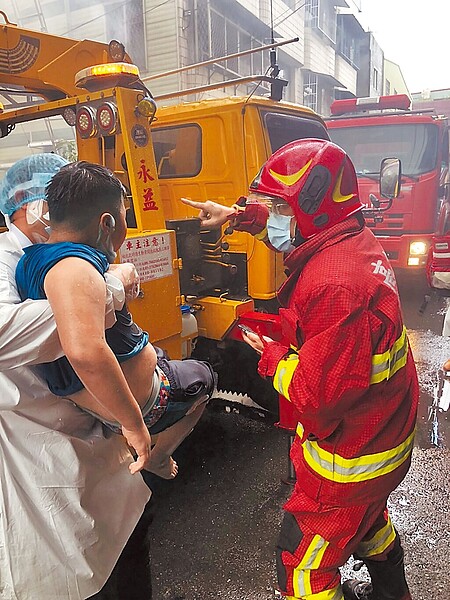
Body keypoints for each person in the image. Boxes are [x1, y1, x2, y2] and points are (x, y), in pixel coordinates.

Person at [181, 139, 418, 600]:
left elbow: (317, 398)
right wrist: (236, 215)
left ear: (312, 208)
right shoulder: (351, 239)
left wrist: (271, 357)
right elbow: (294, 226)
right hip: (384, 438)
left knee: (303, 568)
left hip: (349, 463)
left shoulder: (333, 284)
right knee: (368, 523)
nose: (270, 216)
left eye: (277, 206)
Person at [0, 153, 151, 600]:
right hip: (47, 462)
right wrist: (109, 290)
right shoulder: (9, 262)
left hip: (100, 455)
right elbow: (68, 336)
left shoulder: (49, 256)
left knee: (125, 553)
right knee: (81, 577)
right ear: (33, 208)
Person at [15, 160, 216, 481]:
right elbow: (85, 352)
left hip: (92, 400)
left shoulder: (35, 259)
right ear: (107, 222)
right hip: (146, 402)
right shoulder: (74, 267)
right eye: (125, 216)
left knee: (168, 361)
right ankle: (158, 455)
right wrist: (135, 425)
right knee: (204, 378)